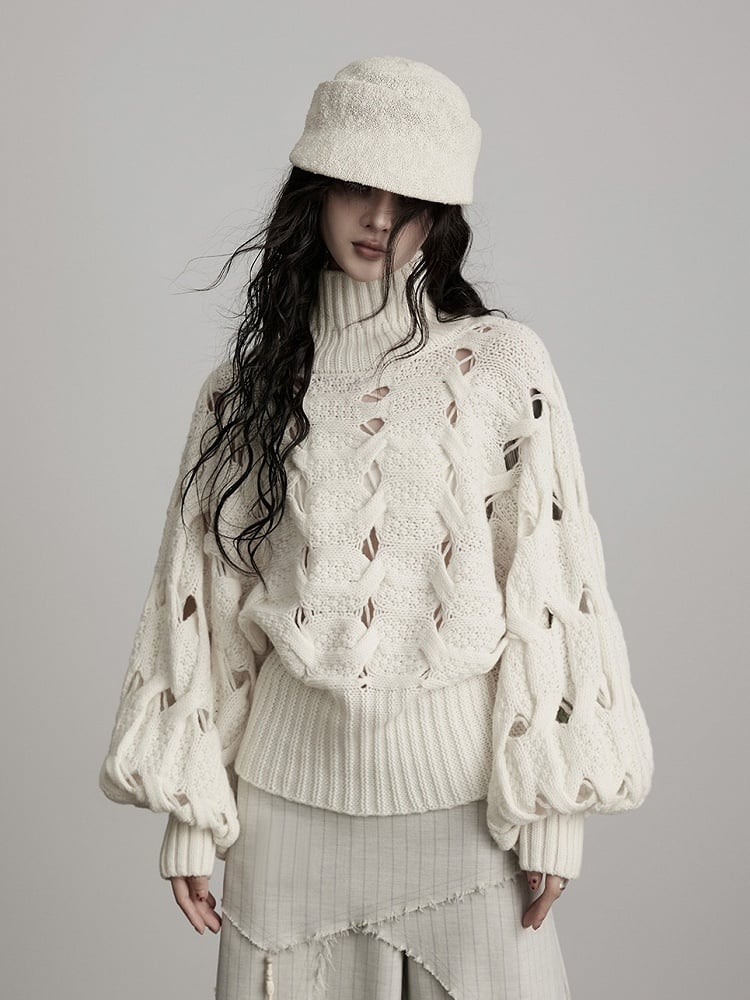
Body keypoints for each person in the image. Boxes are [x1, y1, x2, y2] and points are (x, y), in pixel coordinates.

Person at [99, 55, 655, 999]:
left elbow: (552, 580)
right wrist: (191, 808)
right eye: (359, 186)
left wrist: (555, 803)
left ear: (441, 215)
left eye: (410, 198)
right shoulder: (246, 392)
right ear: (315, 190)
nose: (381, 218)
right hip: (285, 814)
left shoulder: (498, 367)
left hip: (462, 813)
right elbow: (203, 601)